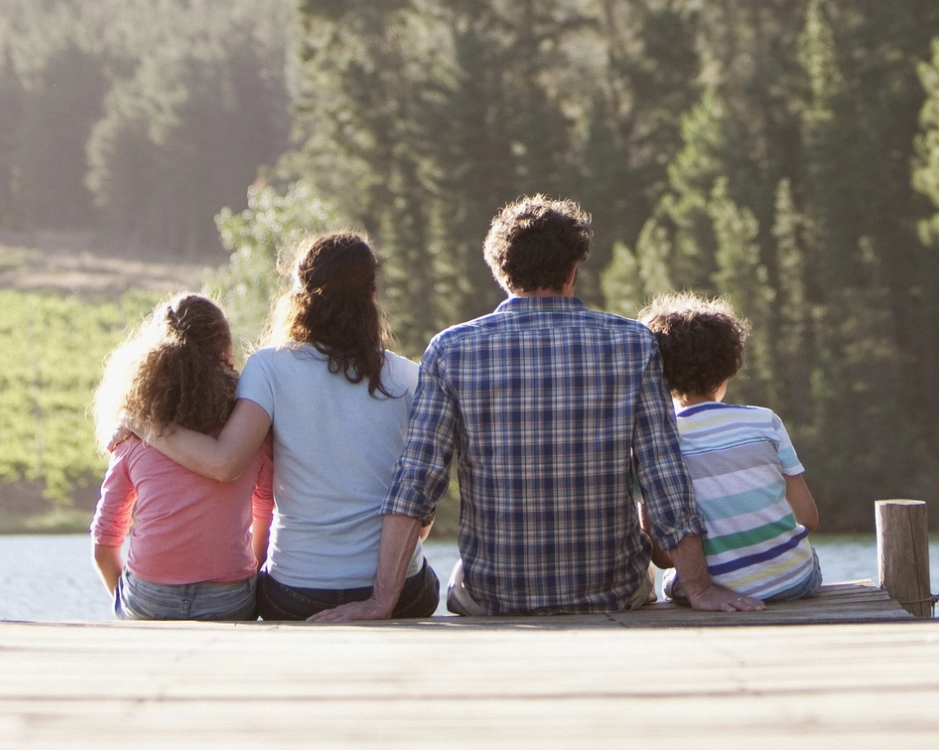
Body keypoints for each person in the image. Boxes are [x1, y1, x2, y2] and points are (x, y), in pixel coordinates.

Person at [312, 195, 765, 622]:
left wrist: (381, 600)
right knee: (647, 576)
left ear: (501, 272)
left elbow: (416, 483)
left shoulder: (451, 350)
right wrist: (700, 588)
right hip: (612, 592)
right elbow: (663, 476)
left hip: (494, 598)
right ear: (572, 270)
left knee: (457, 578)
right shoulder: (632, 345)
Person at [132, 232, 440, 621]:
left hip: (298, 592)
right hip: (400, 595)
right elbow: (421, 522)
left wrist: (145, 425)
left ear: (298, 298)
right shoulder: (409, 378)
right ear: (372, 298)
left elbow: (225, 463)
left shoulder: (268, 368)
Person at [91, 293, 273, 621]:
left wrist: (132, 597)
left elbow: (104, 544)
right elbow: (267, 514)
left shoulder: (132, 435)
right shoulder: (248, 433)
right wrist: (248, 576)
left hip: (149, 596)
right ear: (226, 353)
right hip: (230, 597)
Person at [638, 292, 822, 603]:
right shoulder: (766, 422)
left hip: (713, 589)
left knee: (672, 581)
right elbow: (808, 518)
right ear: (728, 368)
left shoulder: (655, 442)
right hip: (795, 581)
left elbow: (664, 557)